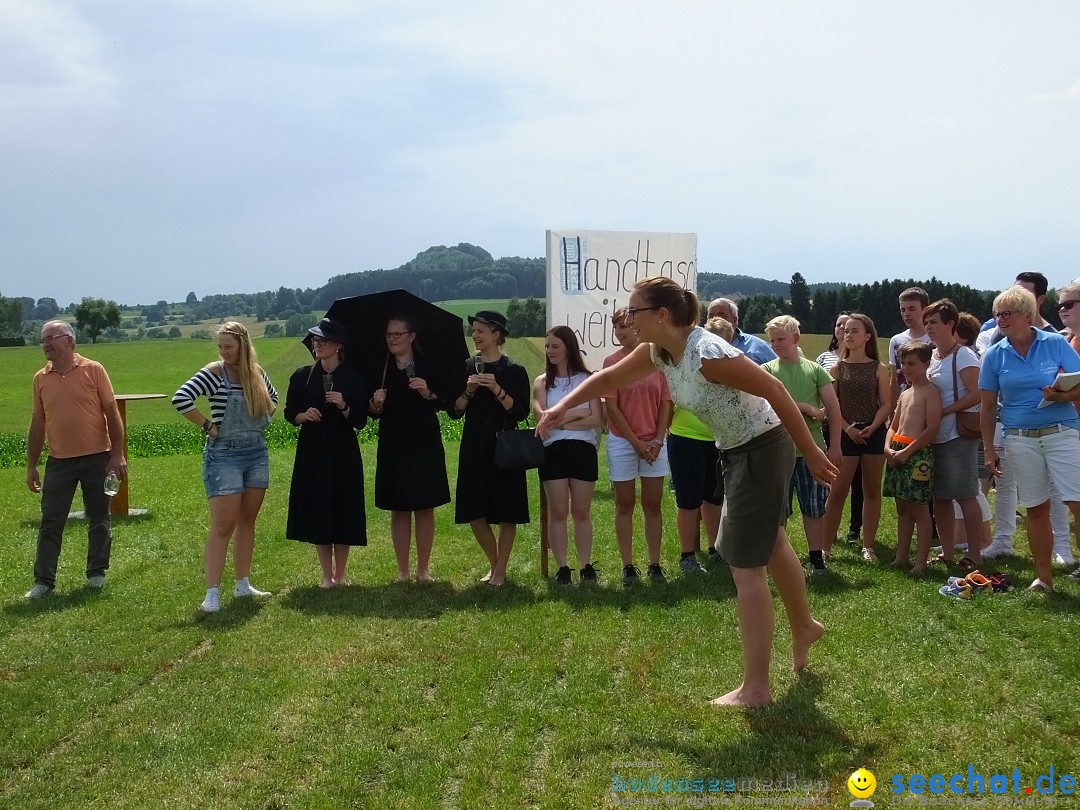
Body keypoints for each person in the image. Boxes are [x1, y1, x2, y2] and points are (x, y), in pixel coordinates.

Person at [538, 277, 837, 708]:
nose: (628, 319)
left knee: (744, 567)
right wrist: (558, 407)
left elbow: (774, 389)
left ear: (661, 315)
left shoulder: (705, 355)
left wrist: (810, 452)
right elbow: (606, 381)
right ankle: (804, 625)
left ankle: (756, 688)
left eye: (634, 311)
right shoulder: (659, 352)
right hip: (738, 450)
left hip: (762, 448)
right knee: (771, 543)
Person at [979, 286, 1080, 592]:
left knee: (1078, 502)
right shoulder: (995, 354)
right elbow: (986, 406)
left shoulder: (1056, 344)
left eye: (1006, 313)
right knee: (1036, 508)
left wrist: (1061, 396)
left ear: (1027, 315)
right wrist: (988, 449)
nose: (1000, 319)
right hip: (1019, 438)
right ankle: (1043, 578)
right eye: (997, 314)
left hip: (1062, 432)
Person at [173, 322, 278, 612]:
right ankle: (212, 593)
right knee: (223, 526)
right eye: (220, 347)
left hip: (256, 453)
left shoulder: (256, 373)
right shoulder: (215, 372)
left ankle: (243, 584)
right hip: (224, 456)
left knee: (248, 521)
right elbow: (181, 398)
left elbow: (274, 400)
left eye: (228, 346)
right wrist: (208, 426)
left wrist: (262, 420)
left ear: (243, 345)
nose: (224, 352)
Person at [24, 320, 127, 598]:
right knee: (51, 522)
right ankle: (43, 582)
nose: (45, 344)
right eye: (42, 340)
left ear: (69, 341)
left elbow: (111, 412)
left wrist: (117, 454)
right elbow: (37, 423)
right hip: (59, 462)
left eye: (50, 338)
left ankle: (96, 573)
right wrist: (32, 465)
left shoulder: (93, 370)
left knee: (99, 518)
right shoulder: (40, 378)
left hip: (97, 459)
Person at [284, 318, 368, 588]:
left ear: (338, 346)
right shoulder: (302, 376)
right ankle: (326, 575)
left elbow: (360, 420)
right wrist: (302, 415)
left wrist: (344, 405)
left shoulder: (353, 377)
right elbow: (288, 412)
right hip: (313, 450)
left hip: (343, 450)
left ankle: (341, 574)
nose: (317, 345)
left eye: (323, 341)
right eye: (315, 341)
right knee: (319, 506)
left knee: (343, 505)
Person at [367, 315, 451, 583]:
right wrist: (375, 403)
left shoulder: (429, 365)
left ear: (412, 336)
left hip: (424, 442)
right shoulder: (381, 367)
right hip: (394, 443)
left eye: (397, 334)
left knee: (425, 507)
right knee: (399, 508)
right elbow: (371, 412)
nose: (392, 339)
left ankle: (423, 570)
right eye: (388, 334)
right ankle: (402, 571)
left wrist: (427, 392)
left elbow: (445, 402)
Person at [450, 311, 531, 587]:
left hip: (504, 445)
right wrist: (469, 391)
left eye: (480, 331)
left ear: (496, 333)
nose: (475, 335)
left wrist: (496, 389)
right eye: (473, 330)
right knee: (474, 509)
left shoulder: (514, 371)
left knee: (507, 509)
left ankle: (500, 570)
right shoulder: (466, 367)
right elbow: (455, 411)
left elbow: (520, 413)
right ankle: (496, 564)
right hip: (474, 445)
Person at [762, 316, 841, 575]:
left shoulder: (816, 370)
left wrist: (836, 446)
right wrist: (805, 407)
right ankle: (778, 559)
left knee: (815, 508)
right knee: (777, 510)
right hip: (777, 451)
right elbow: (767, 404)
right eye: (772, 340)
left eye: (780, 339)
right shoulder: (767, 370)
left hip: (812, 452)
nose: (775, 345)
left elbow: (833, 407)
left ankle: (817, 559)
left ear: (796, 339)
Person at [603, 309, 674, 584]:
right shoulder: (611, 362)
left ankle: (654, 564)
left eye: (625, 326)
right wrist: (636, 443)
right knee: (625, 503)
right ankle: (628, 566)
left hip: (655, 443)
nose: (620, 332)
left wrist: (656, 440)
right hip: (623, 441)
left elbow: (665, 403)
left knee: (653, 504)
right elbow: (612, 408)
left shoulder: (659, 359)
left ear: (637, 327)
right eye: (616, 328)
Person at [533, 326, 604, 585]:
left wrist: (560, 418)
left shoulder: (588, 379)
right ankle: (563, 567)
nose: (550, 351)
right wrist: (575, 413)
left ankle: (586, 566)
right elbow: (542, 419)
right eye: (547, 346)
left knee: (582, 511)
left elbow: (596, 418)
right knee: (558, 511)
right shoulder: (541, 382)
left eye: (555, 346)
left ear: (568, 348)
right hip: (553, 451)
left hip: (583, 450)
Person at [821, 314, 891, 562]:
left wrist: (872, 427)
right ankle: (824, 548)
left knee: (872, 489)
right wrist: (848, 429)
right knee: (838, 491)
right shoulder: (836, 368)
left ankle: (868, 545)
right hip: (845, 434)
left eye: (854, 331)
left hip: (873, 433)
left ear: (867, 336)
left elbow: (886, 404)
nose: (848, 335)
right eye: (846, 331)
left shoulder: (879, 368)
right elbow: (833, 405)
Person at [923, 299, 984, 569]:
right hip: (935, 435)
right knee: (941, 496)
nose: (929, 327)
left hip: (957, 435)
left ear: (950, 324)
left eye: (933, 322)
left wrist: (945, 411)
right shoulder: (933, 355)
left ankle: (974, 554)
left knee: (966, 494)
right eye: (927, 323)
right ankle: (948, 552)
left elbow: (978, 393)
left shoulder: (964, 355)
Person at [666, 317, 730, 572]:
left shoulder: (729, 365)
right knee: (688, 500)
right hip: (685, 438)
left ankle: (715, 548)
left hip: (717, 439)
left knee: (714, 498)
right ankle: (687, 555)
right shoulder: (686, 363)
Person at [883, 341, 941, 573]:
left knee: (920, 509)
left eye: (912, 364)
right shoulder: (905, 393)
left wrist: (908, 452)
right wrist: (888, 448)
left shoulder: (931, 392)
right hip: (898, 450)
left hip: (917, 455)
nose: (906, 368)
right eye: (903, 363)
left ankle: (920, 562)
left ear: (926, 364)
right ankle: (901, 556)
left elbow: (932, 428)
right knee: (902, 508)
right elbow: (893, 425)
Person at [816, 312, 864, 546]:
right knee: (831, 478)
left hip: (857, 427)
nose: (843, 329)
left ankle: (855, 529)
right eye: (839, 325)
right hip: (830, 427)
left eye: (849, 326)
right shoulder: (824, 358)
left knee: (858, 481)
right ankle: (829, 528)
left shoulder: (864, 360)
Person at [888, 287, 932, 407]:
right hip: (905, 405)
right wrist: (892, 411)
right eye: (903, 310)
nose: (906, 314)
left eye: (912, 309)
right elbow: (894, 379)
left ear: (925, 309)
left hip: (930, 404)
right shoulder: (896, 341)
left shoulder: (934, 340)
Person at [706, 298, 777, 364]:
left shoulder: (759, 346)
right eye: (711, 316)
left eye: (721, 316)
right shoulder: (702, 348)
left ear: (735, 320)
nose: (715, 320)